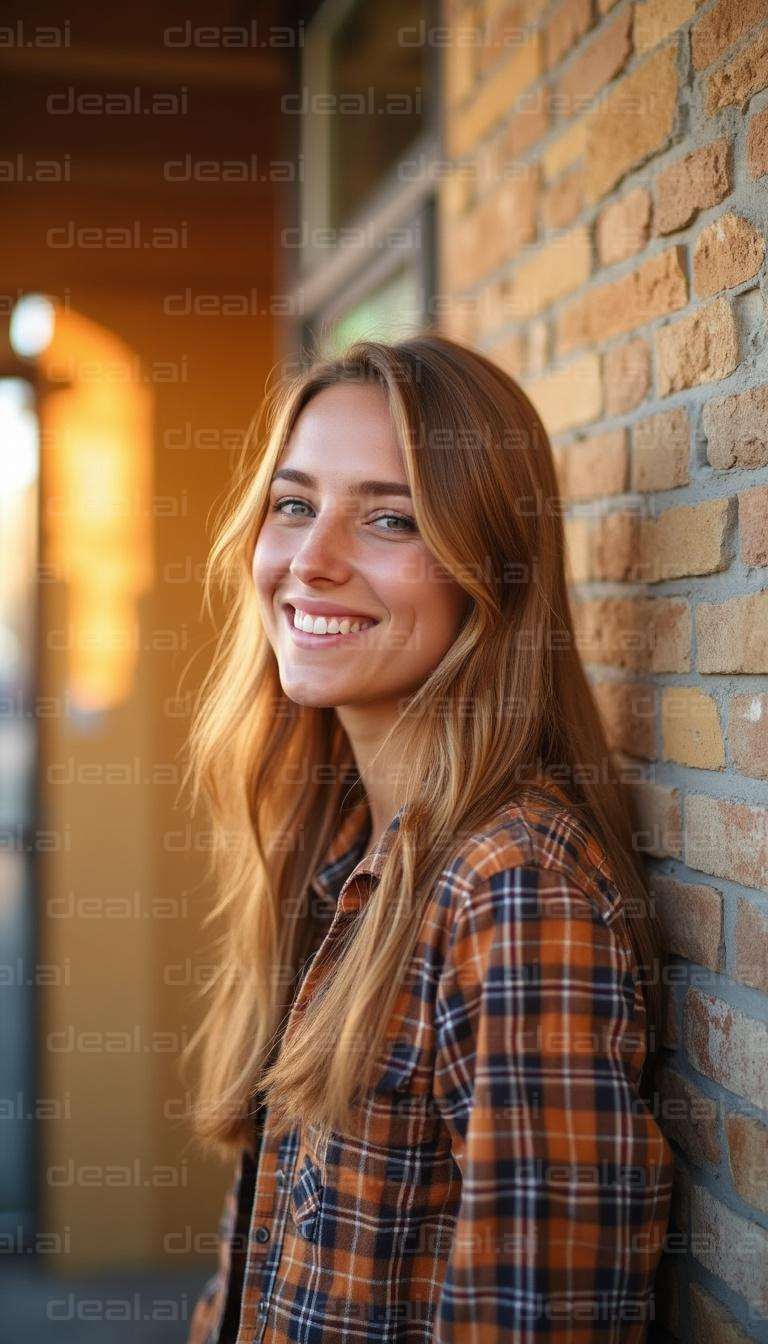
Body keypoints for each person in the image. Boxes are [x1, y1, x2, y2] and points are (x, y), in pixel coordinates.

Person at [180, 333, 674, 1343]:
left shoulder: (511, 888)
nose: (311, 561)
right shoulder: (338, 846)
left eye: (390, 518)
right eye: (294, 503)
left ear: (490, 570)